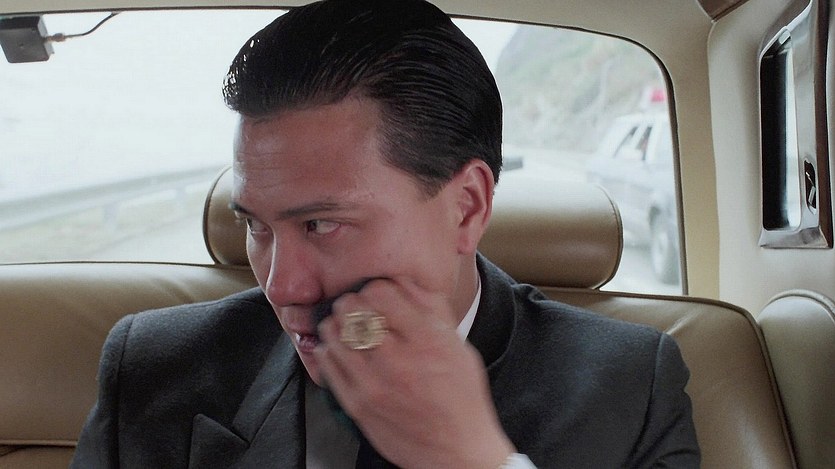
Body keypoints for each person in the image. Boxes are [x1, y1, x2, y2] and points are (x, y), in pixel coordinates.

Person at [71, 0, 700, 467]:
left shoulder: (628, 388)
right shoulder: (154, 366)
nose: (281, 287)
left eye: (322, 224)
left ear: (466, 207)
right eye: (257, 226)